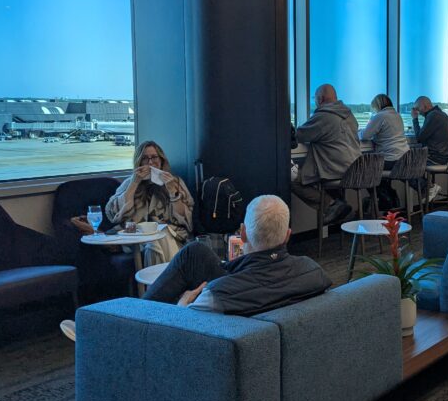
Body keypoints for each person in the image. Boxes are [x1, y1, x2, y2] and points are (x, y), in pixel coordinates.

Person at [59, 196, 331, 340]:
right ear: (288, 235)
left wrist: (183, 305)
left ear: (243, 234)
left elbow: (184, 333)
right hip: (258, 283)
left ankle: (115, 328)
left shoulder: (216, 294)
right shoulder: (312, 270)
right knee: (196, 253)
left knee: (191, 254)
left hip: (240, 300)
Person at [103, 141, 194, 267]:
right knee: (155, 240)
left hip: (172, 236)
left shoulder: (175, 182)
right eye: (145, 158)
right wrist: (134, 183)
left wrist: (172, 191)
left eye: (154, 157)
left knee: (157, 239)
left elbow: (185, 218)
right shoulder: (129, 183)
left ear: (161, 160)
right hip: (137, 239)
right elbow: (113, 213)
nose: (150, 163)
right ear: (139, 162)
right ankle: (169, 282)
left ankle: (157, 284)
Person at [291, 83, 361, 225]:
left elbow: (300, 135)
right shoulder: (349, 115)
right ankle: (339, 205)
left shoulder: (324, 115)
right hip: (356, 169)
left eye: (314, 99)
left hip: (337, 171)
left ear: (320, 99)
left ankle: (331, 205)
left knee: (291, 179)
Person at [360, 93, 409, 212]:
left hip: (391, 159)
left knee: (366, 170)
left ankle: (385, 200)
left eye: (374, 108)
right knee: (380, 175)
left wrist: (360, 131)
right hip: (404, 158)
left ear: (378, 105)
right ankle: (390, 199)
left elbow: (365, 135)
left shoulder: (380, 116)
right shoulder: (397, 115)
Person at [411, 96, 448, 202]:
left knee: (407, 165)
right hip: (444, 156)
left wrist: (414, 119)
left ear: (424, 106)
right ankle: (427, 189)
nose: (419, 112)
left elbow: (419, 138)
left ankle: (428, 187)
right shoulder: (443, 114)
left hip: (435, 158)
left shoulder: (432, 116)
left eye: (418, 109)